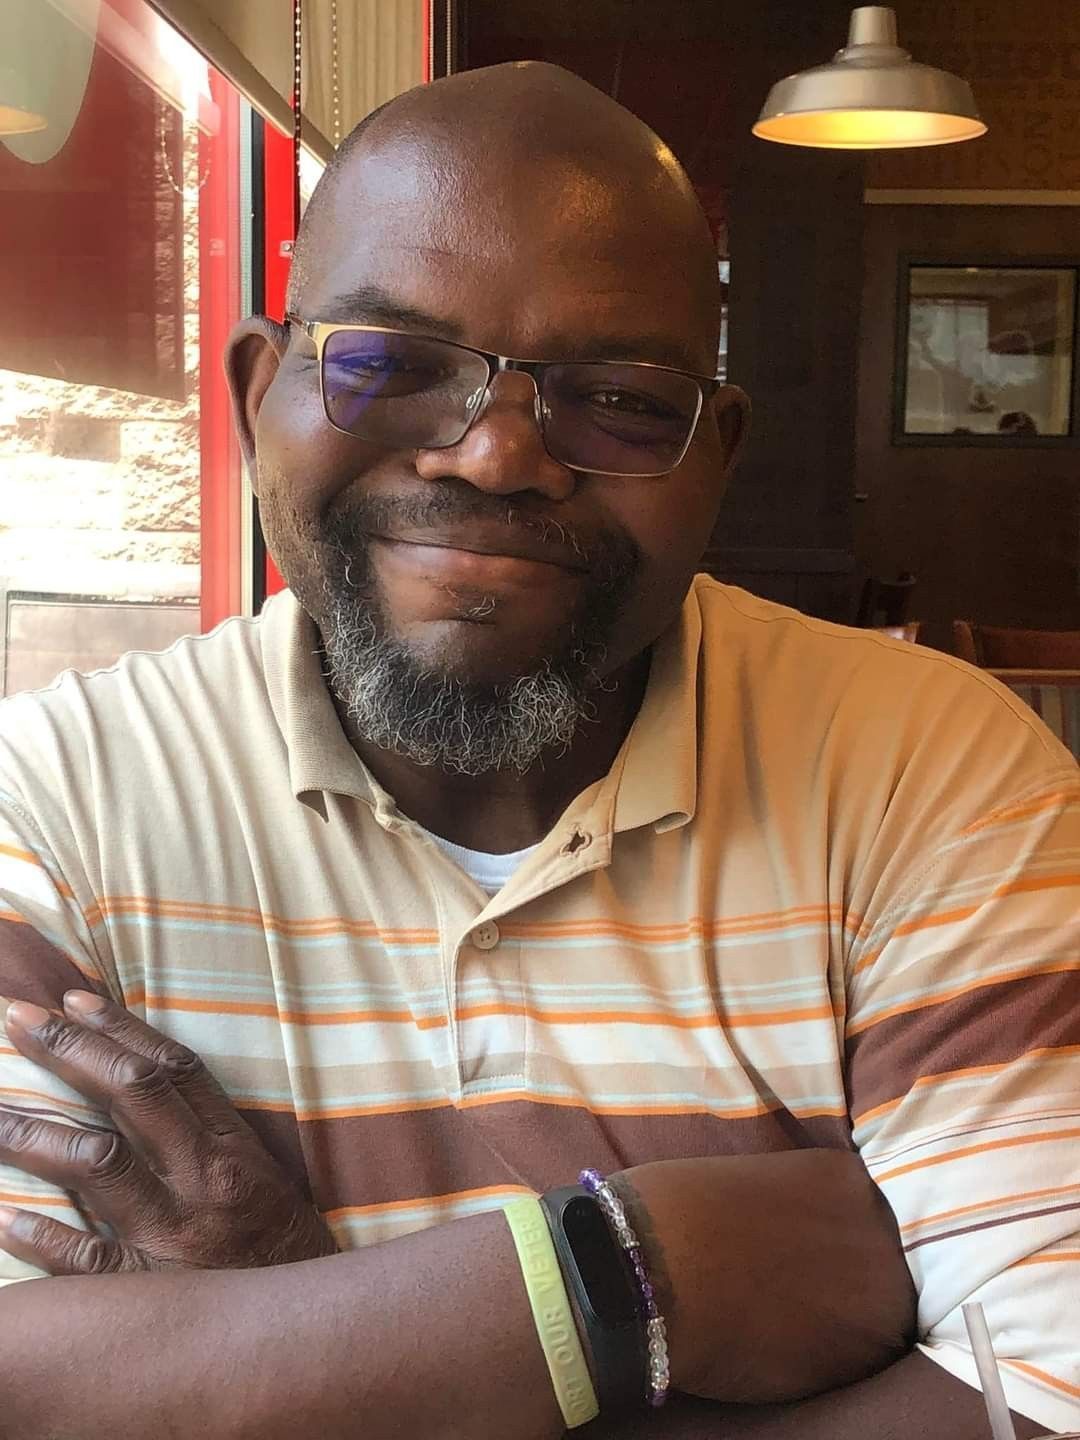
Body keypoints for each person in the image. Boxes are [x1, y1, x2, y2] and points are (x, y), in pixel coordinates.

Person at [0, 62, 1077, 1440]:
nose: (498, 454)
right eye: (389, 365)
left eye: (620, 396)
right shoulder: (55, 806)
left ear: (718, 453)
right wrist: (618, 1286)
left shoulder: (934, 773)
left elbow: (1042, 1396)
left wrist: (288, 1340)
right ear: (259, 393)